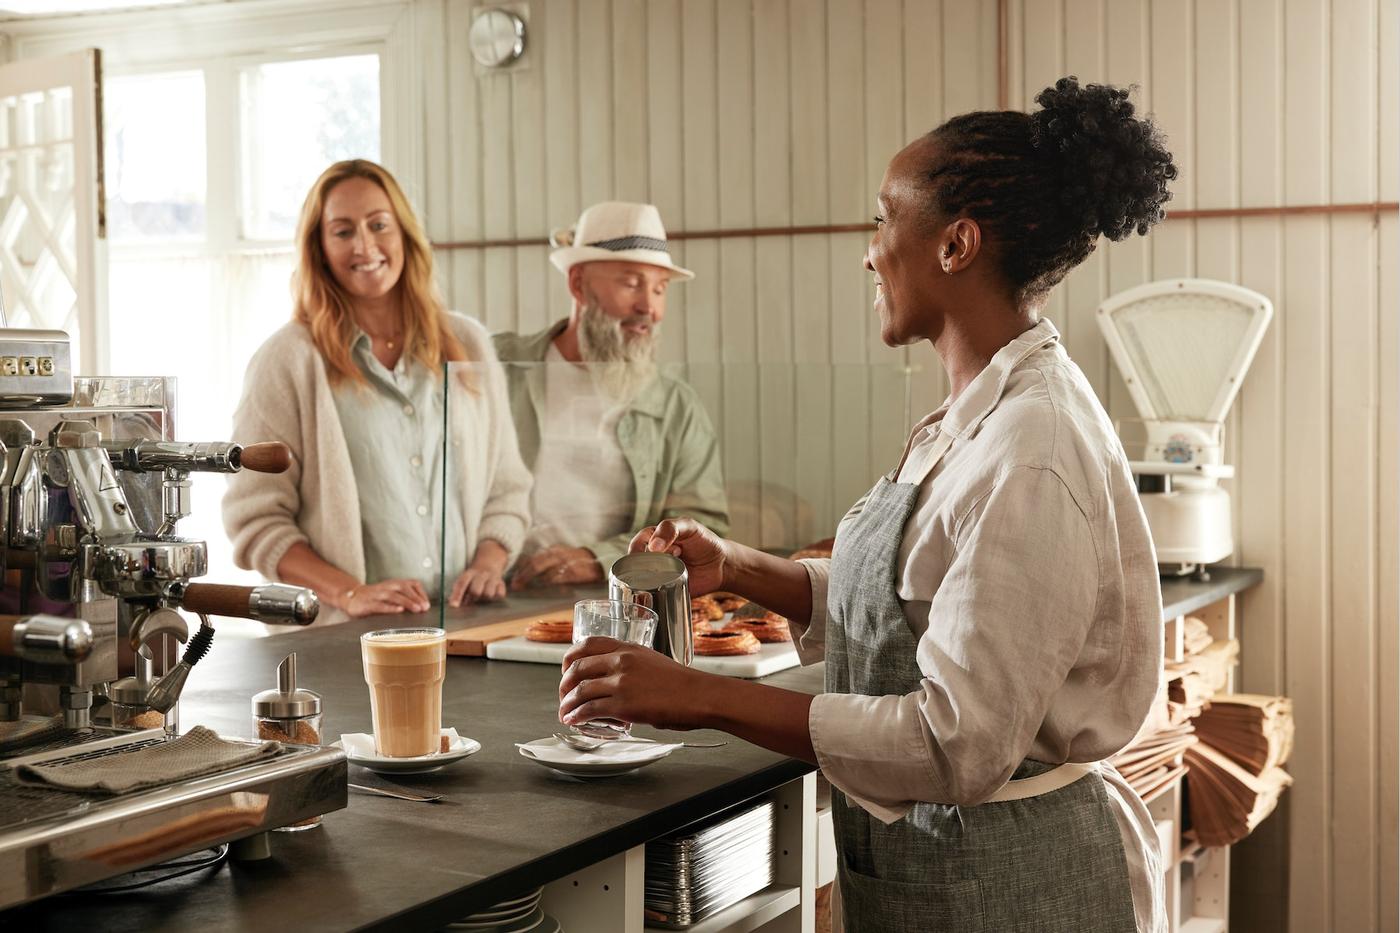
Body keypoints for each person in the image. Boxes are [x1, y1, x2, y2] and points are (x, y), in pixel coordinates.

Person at [559, 77, 1176, 932]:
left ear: (956, 244)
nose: (869, 251)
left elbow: (953, 742)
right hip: (941, 870)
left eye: (884, 219)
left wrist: (697, 695)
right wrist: (738, 567)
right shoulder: (979, 411)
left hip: (1014, 886)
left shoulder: (1033, 448)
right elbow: (913, 599)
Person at [224, 160, 531, 618]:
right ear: (320, 249)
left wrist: (489, 564)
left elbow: (508, 489)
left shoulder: (468, 344)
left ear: (404, 233)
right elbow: (255, 522)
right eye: (343, 231)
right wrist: (350, 593)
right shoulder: (287, 360)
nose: (364, 245)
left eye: (378, 225)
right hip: (344, 637)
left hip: (466, 624)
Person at [493, 201, 729, 589]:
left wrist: (600, 559)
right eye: (632, 283)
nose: (649, 307)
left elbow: (705, 528)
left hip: (620, 598)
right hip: (492, 592)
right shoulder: (498, 366)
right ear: (578, 284)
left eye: (660, 289)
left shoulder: (677, 406)